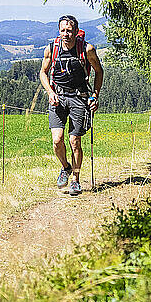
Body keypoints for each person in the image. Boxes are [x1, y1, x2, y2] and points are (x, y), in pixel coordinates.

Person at [39, 15, 103, 195]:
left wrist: (95, 95)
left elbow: (99, 71)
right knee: (57, 140)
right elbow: (43, 73)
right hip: (57, 97)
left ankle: (75, 179)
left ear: (76, 31)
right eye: (62, 31)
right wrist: (50, 92)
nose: (66, 34)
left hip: (79, 98)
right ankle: (65, 167)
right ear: (58, 31)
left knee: (75, 141)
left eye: (69, 30)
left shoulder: (87, 49)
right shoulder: (51, 49)